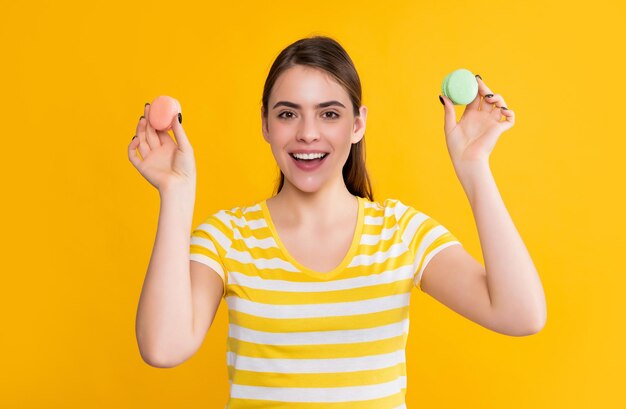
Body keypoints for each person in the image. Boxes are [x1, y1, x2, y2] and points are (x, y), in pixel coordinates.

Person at [129, 35, 546, 408]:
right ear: (265, 124)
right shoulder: (228, 237)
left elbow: (521, 314)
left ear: (357, 124)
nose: (308, 133)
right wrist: (176, 193)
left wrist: (474, 169)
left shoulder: (399, 232)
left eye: (328, 114)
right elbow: (163, 348)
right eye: (288, 114)